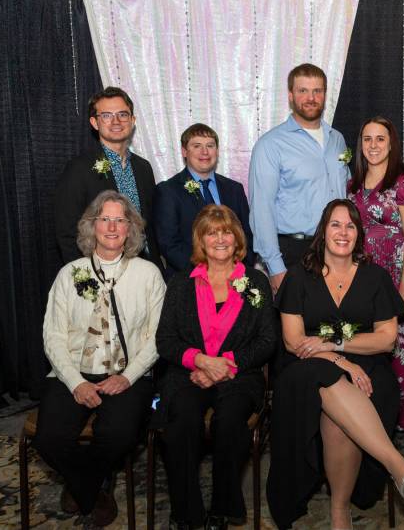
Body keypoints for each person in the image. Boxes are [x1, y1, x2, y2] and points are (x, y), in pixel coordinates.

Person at [266, 199, 404, 530]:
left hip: (366, 368)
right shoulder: (298, 277)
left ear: (358, 234)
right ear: (323, 231)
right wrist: (338, 358)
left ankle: (340, 509)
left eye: (350, 225)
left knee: (339, 416)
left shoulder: (375, 277)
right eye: (335, 224)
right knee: (326, 379)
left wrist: (336, 344)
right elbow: (294, 342)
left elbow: (385, 338)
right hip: (307, 367)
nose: (343, 232)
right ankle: (396, 465)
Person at [35, 190, 165, 526]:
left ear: (130, 229)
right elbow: (54, 336)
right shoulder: (70, 273)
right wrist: (76, 382)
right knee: (48, 438)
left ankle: (80, 485)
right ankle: (92, 487)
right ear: (91, 227)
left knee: (120, 434)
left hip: (128, 373)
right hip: (72, 373)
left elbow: (157, 337)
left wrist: (128, 376)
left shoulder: (148, 274)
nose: (111, 227)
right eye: (104, 219)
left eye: (119, 220)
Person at [154, 204, 276, 529]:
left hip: (240, 376)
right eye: (211, 232)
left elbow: (267, 341)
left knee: (230, 421)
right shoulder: (181, 284)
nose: (219, 239)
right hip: (188, 375)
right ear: (201, 241)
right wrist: (201, 360)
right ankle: (187, 512)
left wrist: (227, 365)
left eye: (225, 232)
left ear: (237, 239)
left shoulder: (254, 284)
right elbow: (165, 340)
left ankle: (225, 506)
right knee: (182, 422)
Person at [347, 116, 404, 430]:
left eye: (380, 139)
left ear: (391, 144)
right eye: (367, 139)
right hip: (363, 276)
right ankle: (367, 417)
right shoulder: (352, 184)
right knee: (368, 343)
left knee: (399, 347)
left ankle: (401, 422)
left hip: (395, 275)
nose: (373, 145)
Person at [248, 63, 351, 294]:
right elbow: (261, 209)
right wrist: (275, 268)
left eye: (317, 91)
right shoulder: (270, 145)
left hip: (338, 248)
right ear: (290, 95)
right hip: (293, 252)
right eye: (303, 90)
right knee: (293, 329)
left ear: (325, 94)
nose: (311, 98)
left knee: (332, 326)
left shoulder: (337, 140)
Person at [55, 86, 164, 271]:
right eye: (106, 115)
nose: (116, 121)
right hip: (101, 270)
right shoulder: (78, 169)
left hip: (144, 269)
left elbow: (150, 226)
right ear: (94, 122)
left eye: (123, 114)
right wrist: (88, 276)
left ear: (132, 120)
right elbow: (66, 232)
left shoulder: (143, 168)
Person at [154, 123, 254, 276]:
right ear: (184, 151)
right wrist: (207, 275)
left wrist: (236, 271)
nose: (205, 152)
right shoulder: (168, 191)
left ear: (217, 151)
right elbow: (169, 244)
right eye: (197, 146)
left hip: (234, 280)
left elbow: (247, 235)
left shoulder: (234, 189)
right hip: (189, 280)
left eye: (210, 145)